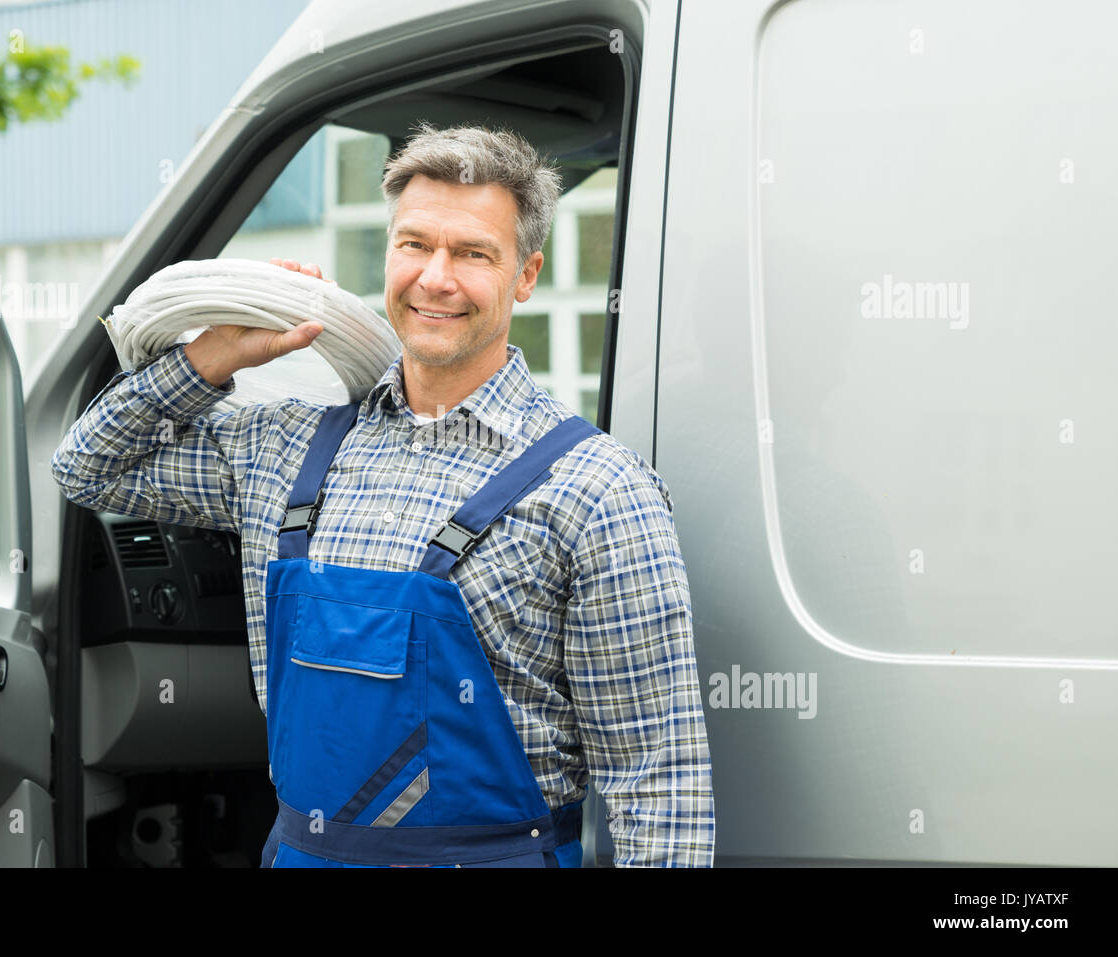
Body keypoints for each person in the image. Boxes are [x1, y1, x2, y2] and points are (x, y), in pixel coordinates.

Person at [51, 121, 713, 867]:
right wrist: (214, 352)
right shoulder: (282, 447)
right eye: (416, 244)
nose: (437, 277)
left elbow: (660, 784)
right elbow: (87, 467)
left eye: (472, 253)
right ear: (388, 252)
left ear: (525, 276)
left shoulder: (597, 489)